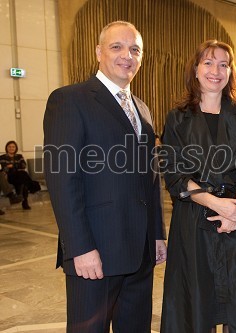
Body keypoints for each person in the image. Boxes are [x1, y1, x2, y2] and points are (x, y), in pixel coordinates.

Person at [43, 21, 166, 332]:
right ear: (98, 52)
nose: (127, 55)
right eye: (117, 47)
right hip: (95, 252)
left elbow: (150, 179)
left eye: (135, 50)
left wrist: (157, 233)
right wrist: (80, 248)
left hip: (139, 253)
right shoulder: (71, 99)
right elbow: (62, 180)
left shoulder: (143, 109)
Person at [159, 40, 236, 333]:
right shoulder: (177, 118)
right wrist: (217, 205)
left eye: (223, 64)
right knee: (195, 306)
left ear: (231, 72)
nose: (215, 70)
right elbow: (175, 173)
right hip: (195, 221)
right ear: (195, 70)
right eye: (208, 63)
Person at [0, 140, 38, 210]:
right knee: (23, 175)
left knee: (22, 176)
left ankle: (21, 197)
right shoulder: (2, 157)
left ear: (16, 148)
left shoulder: (19, 156)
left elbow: (23, 165)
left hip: (18, 176)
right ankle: (32, 187)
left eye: (13, 147)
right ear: (6, 148)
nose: (11, 148)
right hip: (9, 176)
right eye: (9, 147)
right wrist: (17, 166)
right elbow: (5, 168)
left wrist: (12, 166)